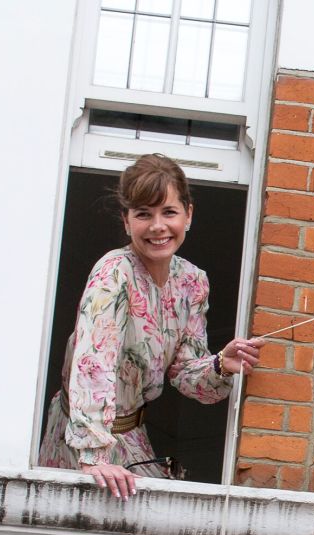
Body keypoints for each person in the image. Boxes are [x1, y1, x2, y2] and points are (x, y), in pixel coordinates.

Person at [38, 154, 264, 499]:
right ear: (126, 221)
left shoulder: (192, 282)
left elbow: (186, 372)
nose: (158, 226)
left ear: (189, 213)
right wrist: (93, 456)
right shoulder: (113, 273)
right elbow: (92, 363)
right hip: (84, 435)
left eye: (169, 212)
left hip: (132, 433)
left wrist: (221, 365)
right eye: (144, 214)